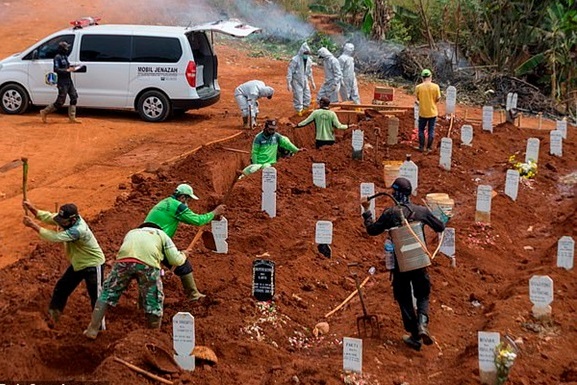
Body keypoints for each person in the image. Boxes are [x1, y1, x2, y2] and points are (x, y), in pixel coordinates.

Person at [360, 177, 445, 351]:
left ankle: (415, 335)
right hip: (420, 262)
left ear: (395, 193)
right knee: (422, 294)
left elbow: (372, 230)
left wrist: (367, 211)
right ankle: (422, 323)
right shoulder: (420, 211)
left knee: (404, 298)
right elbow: (440, 227)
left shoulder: (390, 213)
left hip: (401, 266)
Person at [84, 222, 187, 339]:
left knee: (107, 292)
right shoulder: (161, 234)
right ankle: (153, 336)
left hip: (124, 261)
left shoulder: (131, 232)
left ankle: (92, 329)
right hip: (147, 264)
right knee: (153, 297)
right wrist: (183, 254)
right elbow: (176, 260)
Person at [22, 202, 106, 324]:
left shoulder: (78, 230)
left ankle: (99, 328)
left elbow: (55, 237)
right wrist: (32, 209)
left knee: (96, 297)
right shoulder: (68, 220)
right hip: (79, 263)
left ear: (73, 219)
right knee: (62, 288)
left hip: (93, 265)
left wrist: (33, 226)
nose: (60, 223)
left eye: (63, 221)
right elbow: (50, 217)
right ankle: (53, 316)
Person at [144, 183, 225, 300]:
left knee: (147, 270)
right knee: (183, 265)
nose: (188, 204)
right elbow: (197, 220)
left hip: (145, 238)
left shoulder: (164, 202)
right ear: (182, 197)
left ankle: (143, 302)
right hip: (157, 241)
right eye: (188, 200)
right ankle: (193, 295)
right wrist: (214, 213)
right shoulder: (177, 206)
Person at [40, 41, 82, 124]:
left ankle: (72, 118)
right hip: (62, 82)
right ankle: (44, 112)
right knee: (60, 102)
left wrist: (75, 67)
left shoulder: (65, 56)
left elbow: (68, 65)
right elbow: (56, 69)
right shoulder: (57, 57)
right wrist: (66, 70)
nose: (67, 49)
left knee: (74, 97)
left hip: (69, 80)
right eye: (66, 48)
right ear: (62, 49)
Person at [415, 68, 441, 152]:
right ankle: (429, 147)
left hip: (422, 112)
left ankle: (421, 147)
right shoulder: (436, 87)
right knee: (431, 130)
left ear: (422, 77)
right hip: (432, 112)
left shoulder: (418, 87)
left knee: (421, 130)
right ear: (430, 76)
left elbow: (418, 99)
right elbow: (438, 99)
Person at [287, 42, 316, 116]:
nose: (306, 55)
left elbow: (309, 71)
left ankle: (305, 108)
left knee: (307, 95)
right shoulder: (295, 60)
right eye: (305, 53)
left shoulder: (309, 60)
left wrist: (312, 81)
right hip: (296, 80)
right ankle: (299, 110)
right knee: (298, 95)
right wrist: (289, 83)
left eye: (307, 53)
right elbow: (290, 71)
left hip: (305, 79)